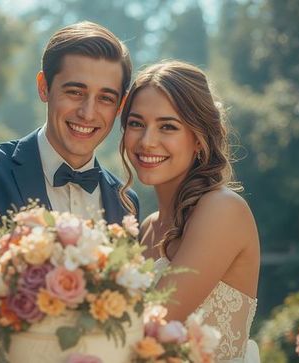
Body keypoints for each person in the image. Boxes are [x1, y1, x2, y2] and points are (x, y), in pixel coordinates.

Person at [0, 21, 139, 332]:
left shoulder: (126, 202)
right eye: (75, 91)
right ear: (44, 87)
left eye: (105, 98)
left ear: (120, 105)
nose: (88, 112)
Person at [119, 60, 260, 362]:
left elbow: (152, 324)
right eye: (136, 123)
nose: (147, 141)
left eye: (167, 126)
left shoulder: (223, 209)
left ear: (199, 138)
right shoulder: (146, 228)